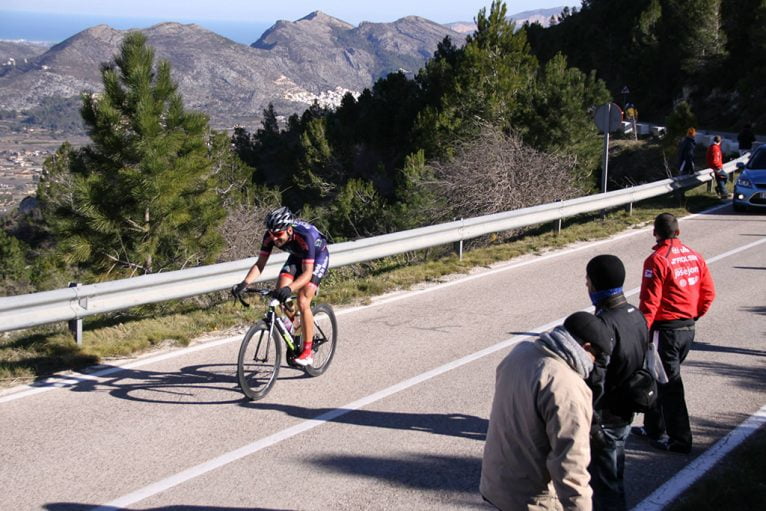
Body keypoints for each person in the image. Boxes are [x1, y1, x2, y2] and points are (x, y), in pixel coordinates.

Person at [480, 311, 614, 511]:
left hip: (495, 485)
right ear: (586, 348)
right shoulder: (567, 387)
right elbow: (571, 467)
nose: (594, 365)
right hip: (531, 500)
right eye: (596, 358)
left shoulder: (521, 353)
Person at [632, 213, 715, 454]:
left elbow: (650, 301)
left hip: (665, 330)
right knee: (659, 377)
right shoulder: (694, 256)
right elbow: (708, 292)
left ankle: (680, 439)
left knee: (669, 385)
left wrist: (642, 331)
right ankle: (653, 428)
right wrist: (694, 315)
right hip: (687, 328)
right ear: (678, 232)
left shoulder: (657, 259)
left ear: (655, 232)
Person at [584, 255, 648, 511]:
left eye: (588, 281)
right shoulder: (636, 314)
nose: (586, 286)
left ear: (596, 285)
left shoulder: (603, 324)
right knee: (613, 476)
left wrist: (591, 422)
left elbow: (595, 379)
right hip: (626, 407)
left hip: (606, 416)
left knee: (605, 486)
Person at [233, 206, 330, 366]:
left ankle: (307, 351)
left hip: (317, 258)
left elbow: (307, 274)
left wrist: (290, 288)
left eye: (278, 235)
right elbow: (260, 264)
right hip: (297, 256)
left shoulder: (305, 237)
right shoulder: (271, 236)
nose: (275, 239)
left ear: (289, 230)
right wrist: (244, 283)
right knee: (280, 295)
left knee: (303, 300)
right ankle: (297, 325)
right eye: (272, 234)